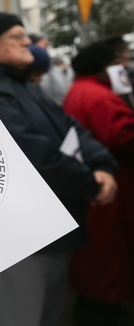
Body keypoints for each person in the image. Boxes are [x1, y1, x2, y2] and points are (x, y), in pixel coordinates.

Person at [0, 8, 118, 326]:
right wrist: (91, 183)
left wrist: (102, 164)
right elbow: (35, 155)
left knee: (48, 313)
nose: (27, 42)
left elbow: (72, 128)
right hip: (23, 235)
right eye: (16, 37)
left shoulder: (22, 86)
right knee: (17, 315)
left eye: (25, 35)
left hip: (54, 225)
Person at [62, 41, 134, 326]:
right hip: (111, 184)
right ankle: (102, 309)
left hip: (97, 180)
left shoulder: (81, 89)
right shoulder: (100, 96)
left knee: (99, 253)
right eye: (119, 61)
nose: (124, 66)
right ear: (104, 66)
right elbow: (119, 137)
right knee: (108, 252)